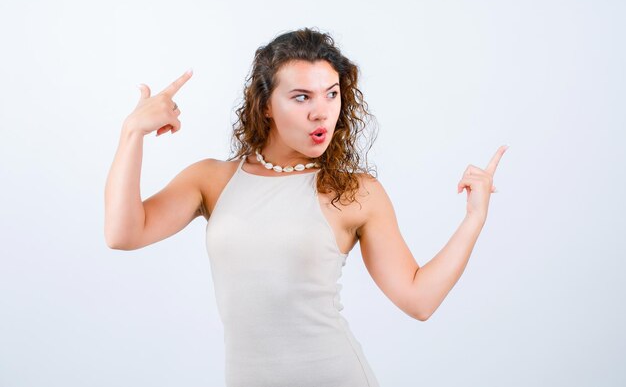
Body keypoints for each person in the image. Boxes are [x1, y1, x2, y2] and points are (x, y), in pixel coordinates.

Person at [104, 27, 508, 387]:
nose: (322, 111)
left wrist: (474, 219)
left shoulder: (354, 191)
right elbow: (123, 233)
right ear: (265, 105)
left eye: (331, 93)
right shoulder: (211, 180)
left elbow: (418, 300)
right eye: (301, 97)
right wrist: (132, 132)